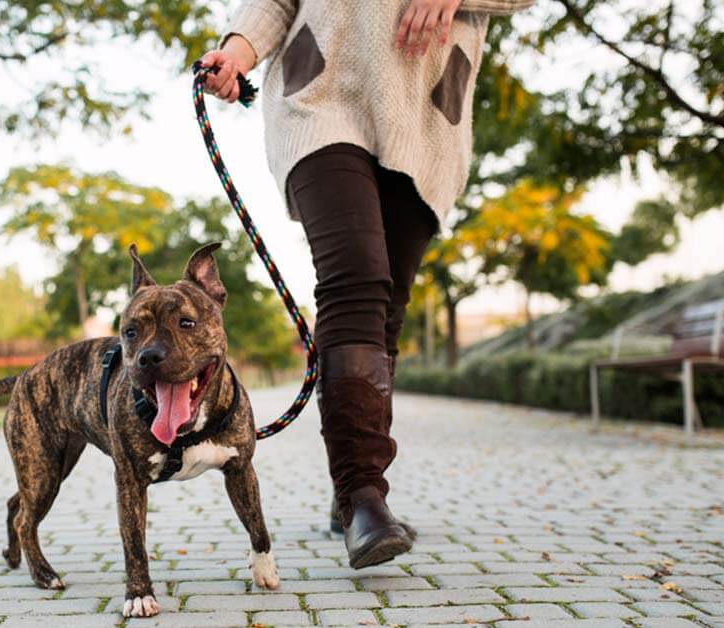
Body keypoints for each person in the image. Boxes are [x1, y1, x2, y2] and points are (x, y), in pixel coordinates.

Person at [200, 0, 535, 569]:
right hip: (322, 93)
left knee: (386, 310)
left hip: (425, 107)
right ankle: (363, 494)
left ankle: (351, 487)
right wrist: (236, 53)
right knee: (355, 277)